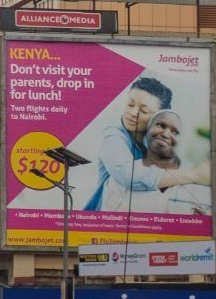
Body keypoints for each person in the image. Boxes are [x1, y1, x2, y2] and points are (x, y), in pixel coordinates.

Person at [84, 76, 207, 211]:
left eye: (144, 111)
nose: (132, 113)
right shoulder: (113, 136)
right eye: (130, 104)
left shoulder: (157, 142)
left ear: (159, 116)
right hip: (104, 216)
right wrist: (195, 175)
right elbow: (128, 175)